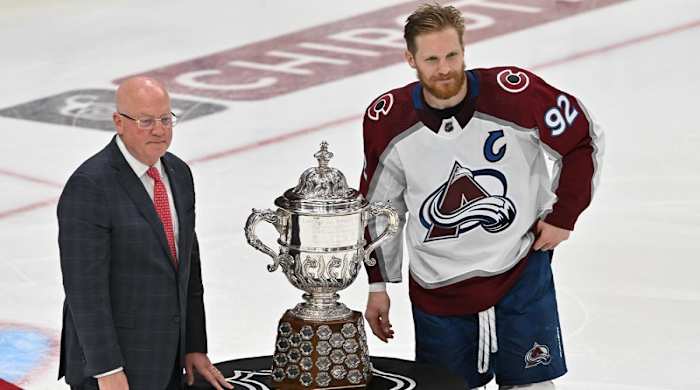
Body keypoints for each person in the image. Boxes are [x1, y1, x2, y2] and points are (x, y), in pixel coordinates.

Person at [360, 4, 603, 389]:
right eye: (432, 58)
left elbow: (581, 139)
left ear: (464, 48)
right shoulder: (386, 119)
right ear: (410, 59)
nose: (444, 68)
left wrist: (563, 215)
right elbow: (380, 206)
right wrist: (378, 285)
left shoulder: (515, 93)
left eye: (452, 54)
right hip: (437, 289)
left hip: (520, 272)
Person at [57, 77, 233, 390]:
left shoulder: (178, 173)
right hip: (114, 368)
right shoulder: (90, 186)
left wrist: (193, 344)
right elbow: (84, 292)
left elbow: (187, 267)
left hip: (167, 357)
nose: (159, 130)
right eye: (146, 121)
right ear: (118, 123)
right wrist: (107, 370)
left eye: (166, 119)